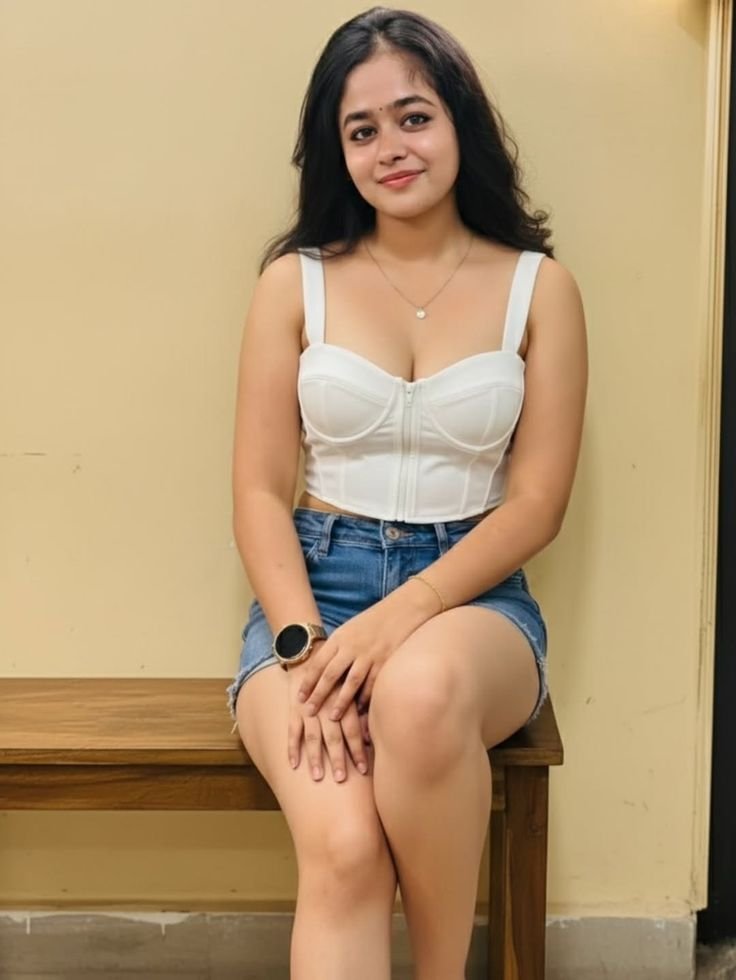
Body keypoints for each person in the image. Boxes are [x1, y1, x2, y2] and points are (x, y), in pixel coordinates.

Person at [225, 6, 587, 979]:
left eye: (414, 117)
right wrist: (303, 645)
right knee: (344, 848)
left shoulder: (539, 288)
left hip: (471, 599)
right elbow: (258, 490)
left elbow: (537, 503)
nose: (390, 146)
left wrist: (404, 616)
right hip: (313, 595)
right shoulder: (293, 282)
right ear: (335, 151)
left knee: (420, 691)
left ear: (461, 121)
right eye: (361, 129)